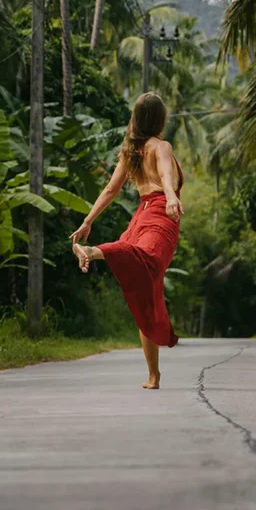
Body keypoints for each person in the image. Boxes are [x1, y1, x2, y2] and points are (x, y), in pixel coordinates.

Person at [70, 92, 184, 390]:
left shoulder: (131, 152)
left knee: (148, 289)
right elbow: (166, 175)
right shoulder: (162, 146)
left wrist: (87, 220)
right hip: (159, 216)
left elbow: (110, 190)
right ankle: (94, 252)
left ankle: (153, 376)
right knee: (144, 260)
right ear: (160, 119)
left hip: (141, 217)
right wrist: (171, 197)